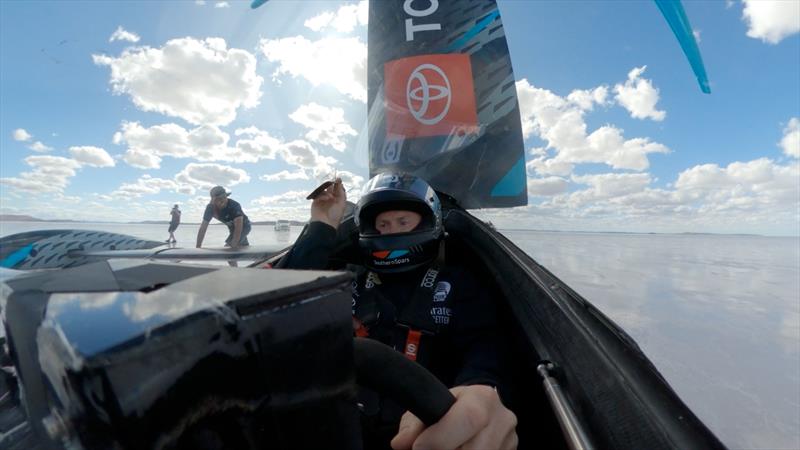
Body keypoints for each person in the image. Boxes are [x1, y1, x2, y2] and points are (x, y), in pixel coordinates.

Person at [280, 172, 518, 450]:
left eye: (403, 222)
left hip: (425, 427)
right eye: (383, 224)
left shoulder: (458, 283)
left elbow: (485, 347)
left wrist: (481, 389)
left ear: (429, 223)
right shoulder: (349, 279)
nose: (391, 231)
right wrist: (322, 224)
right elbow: (283, 298)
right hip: (344, 424)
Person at [195, 185, 251, 250]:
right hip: (231, 228)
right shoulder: (210, 208)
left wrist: (233, 244)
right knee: (241, 247)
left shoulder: (234, 206)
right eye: (219, 199)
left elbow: (238, 227)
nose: (223, 201)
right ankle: (251, 255)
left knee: (229, 247)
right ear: (213, 200)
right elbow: (203, 228)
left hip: (244, 226)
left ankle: (234, 257)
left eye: (224, 197)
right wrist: (198, 247)